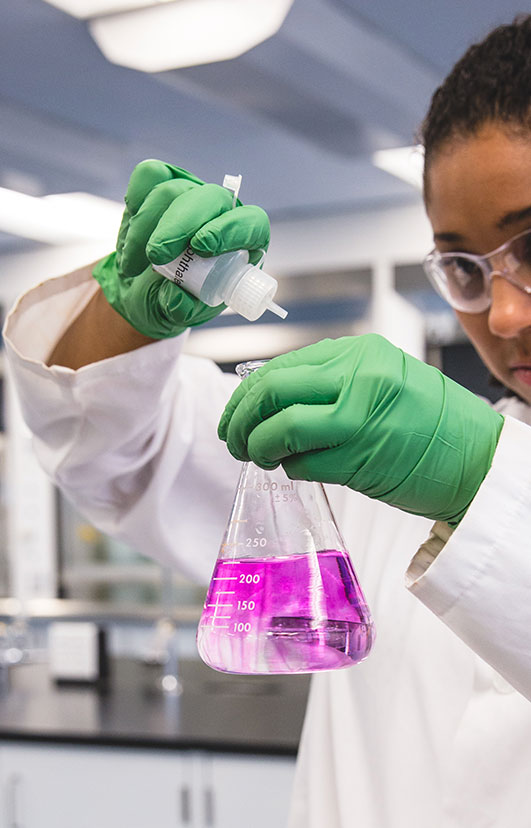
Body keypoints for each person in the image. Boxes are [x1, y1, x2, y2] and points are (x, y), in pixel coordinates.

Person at [4, 14, 531, 827]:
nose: (499, 315)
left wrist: (485, 485)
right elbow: (131, 455)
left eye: (530, 250)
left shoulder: (435, 454)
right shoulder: (375, 470)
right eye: (462, 267)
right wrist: (128, 315)